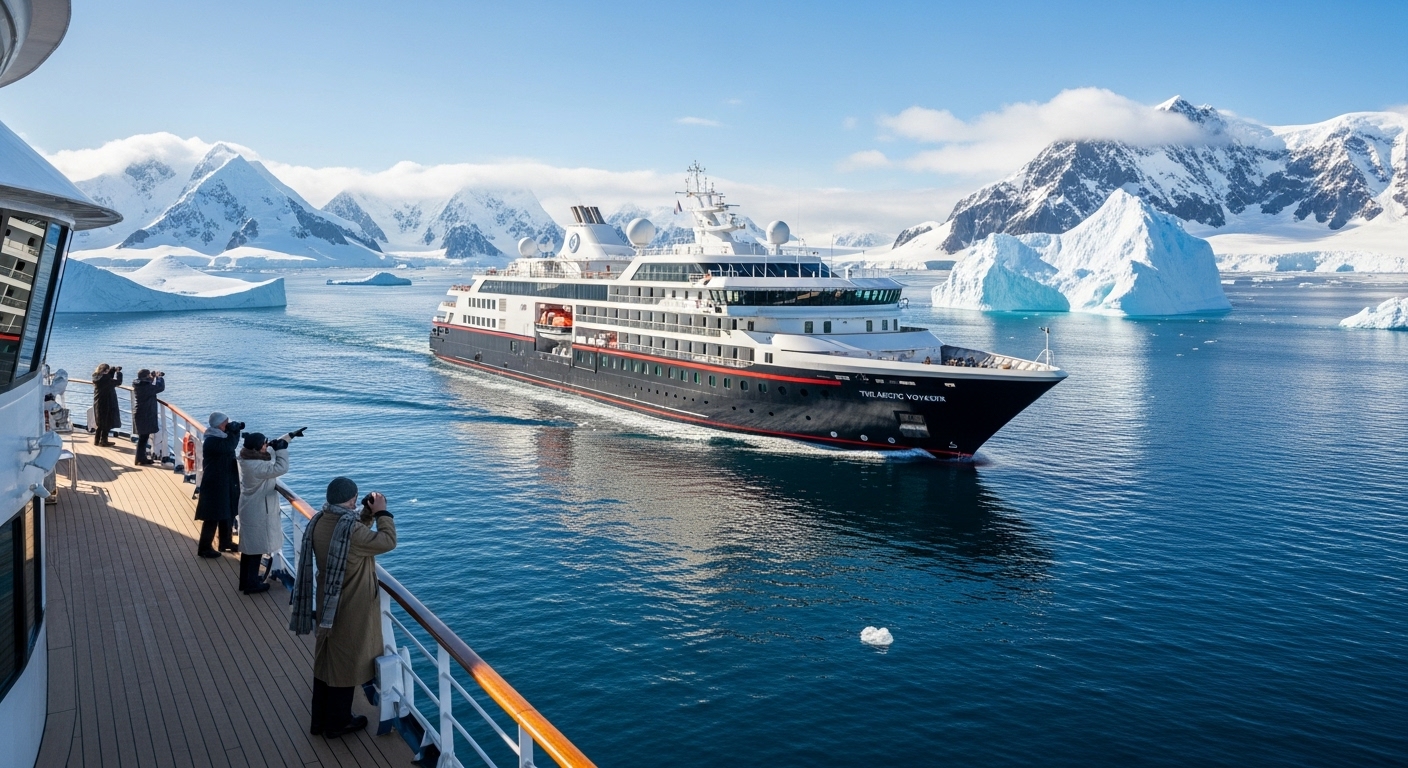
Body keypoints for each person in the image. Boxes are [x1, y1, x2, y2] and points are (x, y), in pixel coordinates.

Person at [290, 477, 396, 738]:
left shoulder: (321, 520)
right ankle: (337, 723)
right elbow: (387, 542)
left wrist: (366, 514)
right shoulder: (350, 529)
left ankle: (320, 721)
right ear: (350, 500)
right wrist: (382, 513)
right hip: (349, 605)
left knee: (327, 660)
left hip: (327, 598)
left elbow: (353, 530)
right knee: (344, 664)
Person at [236, 429, 301, 594]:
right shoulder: (257, 467)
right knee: (255, 549)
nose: (267, 445)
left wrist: (288, 437)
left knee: (250, 549)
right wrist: (282, 450)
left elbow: (268, 452)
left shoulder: (249, 457)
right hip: (257, 510)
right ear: (258, 448)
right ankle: (251, 585)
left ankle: (246, 581)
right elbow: (281, 467)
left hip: (251, 507)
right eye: (264, 444)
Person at [194, 412, 243, 558]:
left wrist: (232, 431)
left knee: (227, 512)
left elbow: (229, 444)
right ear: (220, 424)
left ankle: (225, 542)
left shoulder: (219, 436)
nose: (228, 424)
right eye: (226, 422)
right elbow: (230, 446)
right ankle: (204, 548)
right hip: (215, 482)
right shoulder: (212, 440)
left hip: (224, 480)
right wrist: (235, 431)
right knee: (212, 516)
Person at [131, 369, 165, 466]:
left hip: (140, 412)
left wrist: (153, 377)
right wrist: (159, 378)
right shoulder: (146, 386)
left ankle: (140, 458)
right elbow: (160, 388)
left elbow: (147, 384)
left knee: (143, 438)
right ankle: (140, 459)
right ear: (146, 376)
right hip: (146, 413)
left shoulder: (138, 384)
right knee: (143, 438)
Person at [91, 363, 123, 445]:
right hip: (106, 402)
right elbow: (118, 382)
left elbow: (108, 378)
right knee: (106, 422)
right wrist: (118, 373)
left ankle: (97, 440)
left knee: (100, 422)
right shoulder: (106, 380)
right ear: (106, 371)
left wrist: (112, 370)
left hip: (98, 402)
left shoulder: (97, 377)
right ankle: (104, 441)